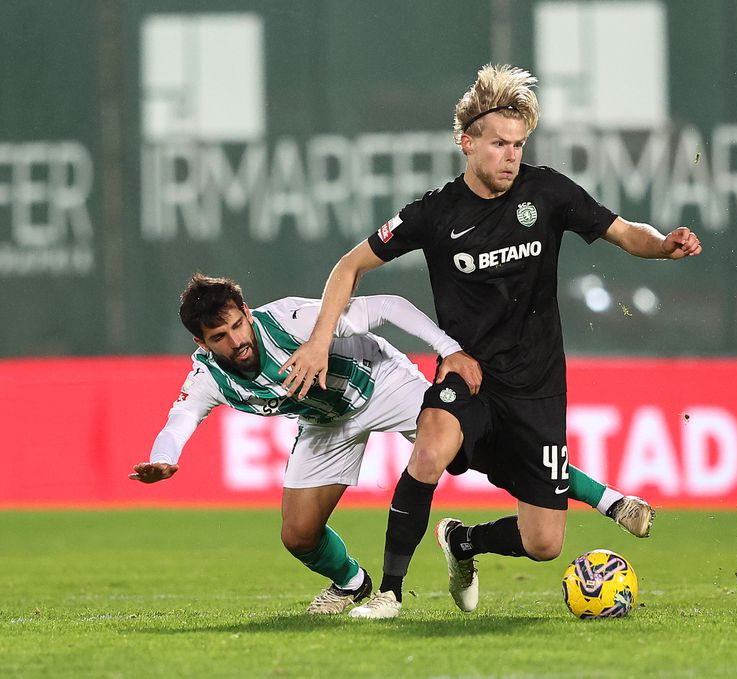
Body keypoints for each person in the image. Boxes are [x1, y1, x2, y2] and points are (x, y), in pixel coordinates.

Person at [279, 64, 701, 619]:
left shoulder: (546, 192)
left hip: (538, 388)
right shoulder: (434, 213)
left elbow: (625, 233)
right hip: (469, 376)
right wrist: (317, 341)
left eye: (518, 145)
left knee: (545, 542)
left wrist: (662, 244)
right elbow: (349, 265)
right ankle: (389, 593)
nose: (511, 155)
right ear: (468, 142)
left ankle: (464, 543)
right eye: (499, 143)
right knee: (428, 450)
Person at [129, 273, 644, 616]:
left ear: (245, 310)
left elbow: (390, 305)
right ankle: (352, 585)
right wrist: (164, 458)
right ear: (202, 343)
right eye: (219, 336)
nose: (236, 340)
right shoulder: (207, 377)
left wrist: (449, 351)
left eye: (237, 324)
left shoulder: (291, 320)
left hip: (382, 383)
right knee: (298, 535)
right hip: (325, 422)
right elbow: (180, 419)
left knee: (492, 452)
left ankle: (611, 500)